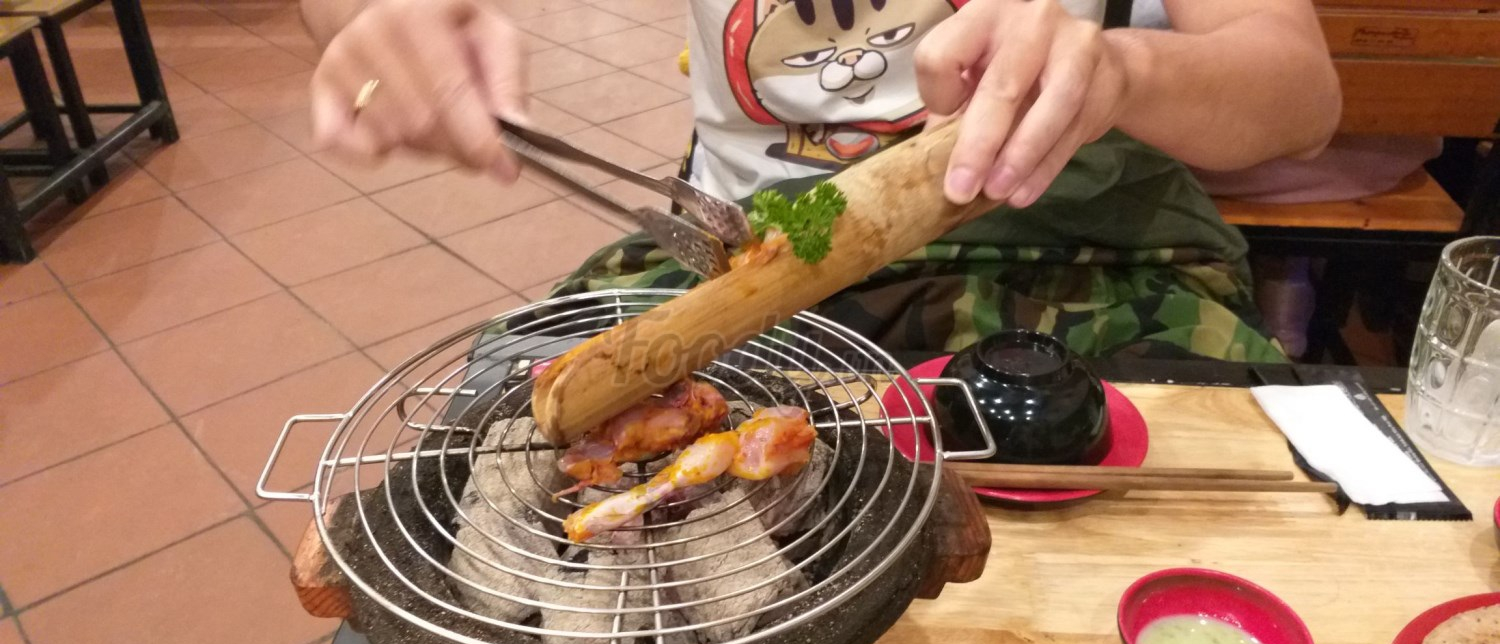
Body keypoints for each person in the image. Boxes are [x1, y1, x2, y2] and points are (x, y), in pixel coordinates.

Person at [301, 0, 1340, 362]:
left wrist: (1126, 67)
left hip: (1080, 241)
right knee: (514, 428)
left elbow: (1299, 92)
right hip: (744, 251)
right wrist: (373, 25)